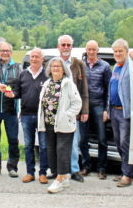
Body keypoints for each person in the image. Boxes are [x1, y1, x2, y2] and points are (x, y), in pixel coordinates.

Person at [38, 57, 82, 194]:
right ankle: (63, 177)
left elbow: (77, 103)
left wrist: (67, 115)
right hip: (49, 124)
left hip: (64, 124)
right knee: (52, 151)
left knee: (62, 151)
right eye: (53, 66)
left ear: (64, 69)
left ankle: (59, 180)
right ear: (49, 69)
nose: (56, 68)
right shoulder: (47, 83)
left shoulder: (68, 84)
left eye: (59, 66)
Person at [109, 38, 133, 188]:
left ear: (126, 51)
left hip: (124, 112)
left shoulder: (130, 66)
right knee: (118, 142)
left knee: (124, 143)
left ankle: (127, 175)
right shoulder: (116, 67)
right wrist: (107, 109)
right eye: (115, 52)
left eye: (120, 51)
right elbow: (111, 88)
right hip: (114, 110)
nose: (118, 54)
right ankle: (128, 171)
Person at [56, 35, 89, 182]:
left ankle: (74, 170)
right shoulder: (53, 63)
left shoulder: (79, 64)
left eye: (68, 45)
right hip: (56, 109)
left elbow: (84, 89)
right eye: (63, 45)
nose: (66, 47)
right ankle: (58, 170)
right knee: (57, 142)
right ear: (58, 47)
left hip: (74, 109)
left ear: (72, 47)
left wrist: (85, 110)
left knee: (74, 142)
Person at [79, 40, 112, 179]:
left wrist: (106, 109)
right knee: (83, 139)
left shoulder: (105, 66)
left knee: (102, 139)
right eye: (89, 49)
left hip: (99, 105)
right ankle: (86, 166)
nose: (91, 52)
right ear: (86, 50)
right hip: (84, 106)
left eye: (94, 49)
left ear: (98, 50)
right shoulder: (81, 65)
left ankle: (102, 168)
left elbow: (109, 89)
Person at [0, 41, 21, 177]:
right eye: (2, 51)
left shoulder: (18, 68)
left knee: (13, 139)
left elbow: (20, 88)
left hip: (10, 109)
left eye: (7, 51)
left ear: (11, 53)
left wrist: (14, 94)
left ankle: (12, 167)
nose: (5, 53)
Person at [16, 47, 49, 183]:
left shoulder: (47, 75)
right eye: (32, 57)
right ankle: (30, 172)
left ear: (42, 59)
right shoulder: (23, 74)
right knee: (28, 145)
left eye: (37, 57)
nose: (34, 59)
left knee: (43, 146)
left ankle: (43, 173)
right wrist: (9, 93)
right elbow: (18, 93)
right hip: (26, 115)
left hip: (42, 116)